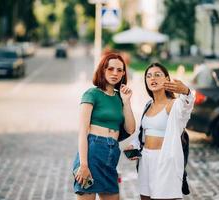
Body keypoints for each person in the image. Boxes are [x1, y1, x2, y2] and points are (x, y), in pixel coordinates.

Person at [126, 62, 194, 200]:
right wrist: (134, 146)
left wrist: (186, 91)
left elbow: (187, 107)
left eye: (158, 75)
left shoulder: (174, 105)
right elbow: (143, 133)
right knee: (145, 197)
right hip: (145, 160)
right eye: (149, 76)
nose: (153, 79)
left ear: (167, 79)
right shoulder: (148, 104)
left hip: (165, 161)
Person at [72, 53, 136, 200]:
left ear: (123, 73)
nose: (115, 73)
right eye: (110, 68)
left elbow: (130, 129)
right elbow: (83, 132)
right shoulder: (92, 94)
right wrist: (83, 165)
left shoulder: (120, 97)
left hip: (112, 152)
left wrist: (126, 102)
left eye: (119, 70)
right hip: (92, 152)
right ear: (102, 70)